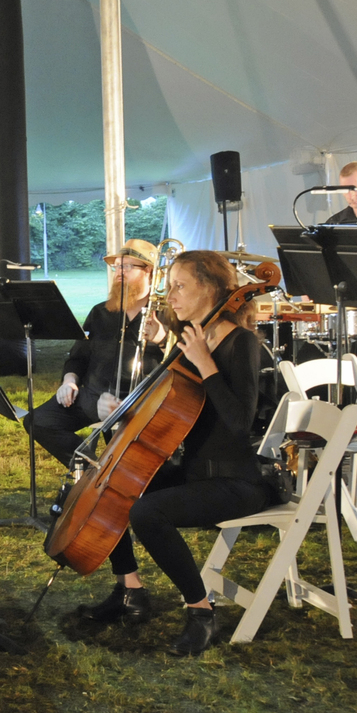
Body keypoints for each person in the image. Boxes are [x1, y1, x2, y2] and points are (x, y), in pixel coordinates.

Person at [74, 250, 273, 656]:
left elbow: (239, 424)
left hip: (237, 479)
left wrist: (207, 366)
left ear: (212, 289)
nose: (171, 295)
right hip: (196, 470)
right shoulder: (190, 339)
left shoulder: (241, 343)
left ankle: (202, 612)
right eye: (170, 286)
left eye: (180, 286)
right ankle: (128, 590)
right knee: (115, 488)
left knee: (147, 511)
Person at [24, 240, 166, 468]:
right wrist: (69, 381)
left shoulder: (166, 314)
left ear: (148, 270)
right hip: (92, 396)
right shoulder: (100, 312)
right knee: (38, 420)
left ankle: (112, 474)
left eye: (126, 267)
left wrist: (162, 339)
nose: (118, 273)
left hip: (138, 401)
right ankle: (91, 472)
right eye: (116, 267)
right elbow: (78, 356)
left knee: (126, 450)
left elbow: (178, 362)